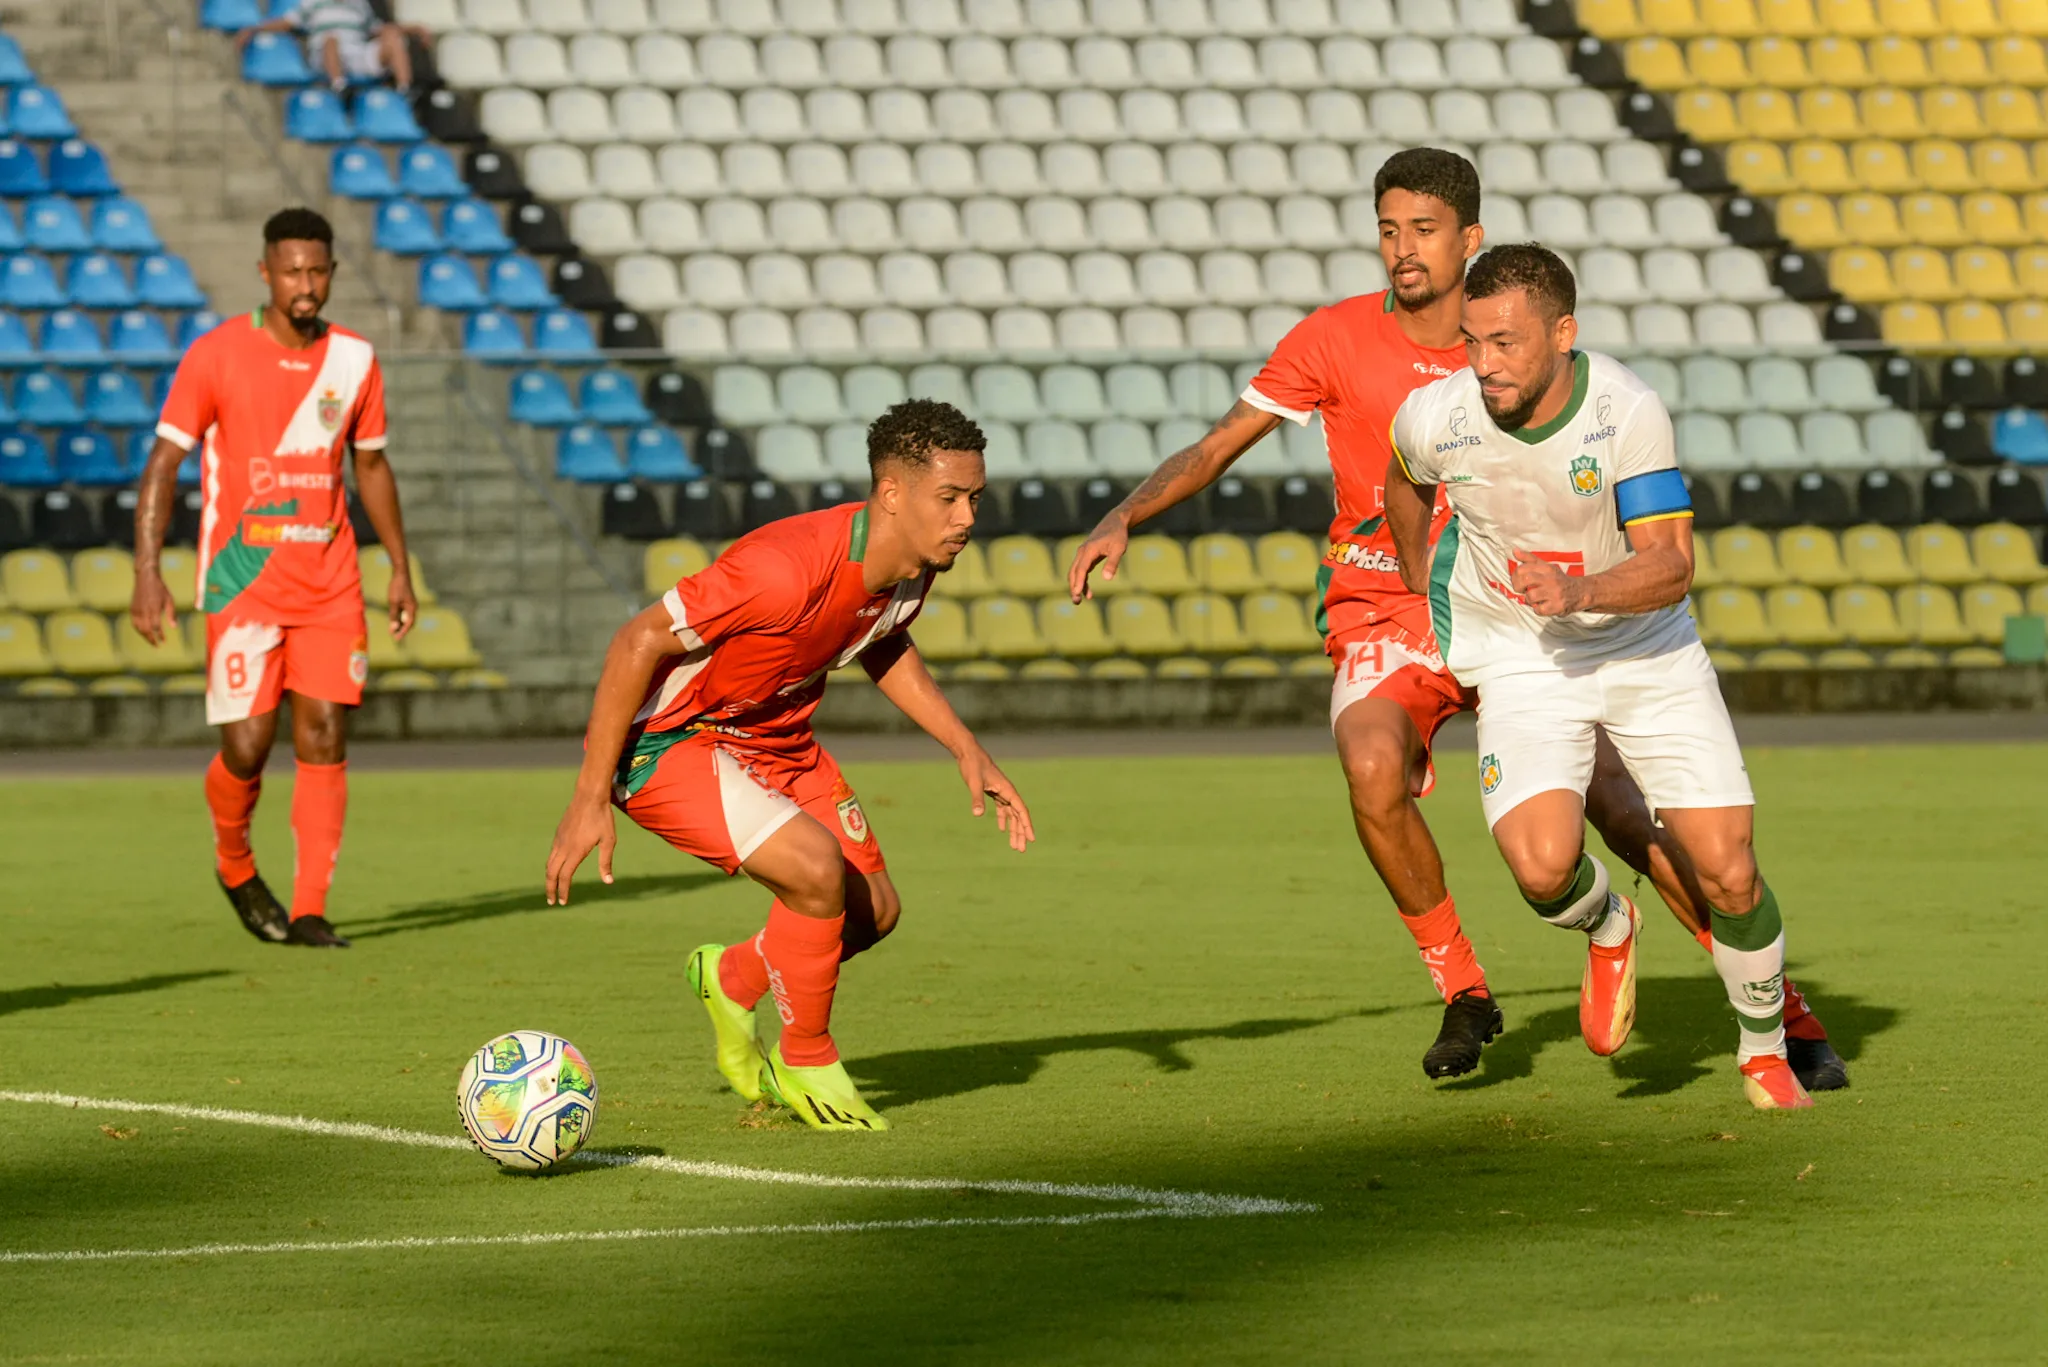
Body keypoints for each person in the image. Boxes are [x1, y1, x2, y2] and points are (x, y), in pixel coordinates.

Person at [1067, 148, 1846, 1090]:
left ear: (1469, 240)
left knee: (1626, 817)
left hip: (1525, 617)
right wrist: (1126, 513)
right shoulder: (1333, 340)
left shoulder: (1509, 341)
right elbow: (1222, 442)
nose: (1403, 251)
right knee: (1368, 760)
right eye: (1389, 230)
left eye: (1424, 231)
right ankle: (1465, 988)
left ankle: (1775, 1008)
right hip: (1390, 610)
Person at [1384, 242, 1817, 1110]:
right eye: (1472, 341)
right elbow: (1402, 477)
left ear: (1563, 333)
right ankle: (1610, 924)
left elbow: (1671, 564)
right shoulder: (1437, 414)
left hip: (1644, 647)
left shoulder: (1626, 410)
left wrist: (1577, 588)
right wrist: (1411, 567)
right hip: (1523, 654)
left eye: (1506, 342)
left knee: (1728, 868)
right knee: (1544, 871)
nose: (1485, 362)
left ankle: (1763, 1050)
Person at [544, 400, 1033, 1132]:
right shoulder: (780, 569)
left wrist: (966, 745)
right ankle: (805, 1056)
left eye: (975, 498)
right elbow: (636, 642)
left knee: (875, 911)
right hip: (668, 740)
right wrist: (587, 796)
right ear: (892, 493)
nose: (968, 517)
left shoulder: (912, 564)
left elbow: (881, 640)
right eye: (951, 498)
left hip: (775, 735)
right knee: (814, 870)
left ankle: (732, 977)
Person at [130, 207, 412, 950]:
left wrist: (401, 571)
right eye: (292, 270)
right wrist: (148, 572)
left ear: (332, 273)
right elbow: (163, 465)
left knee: (322, 732)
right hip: (242, 581)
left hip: (329, 581)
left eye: (318, 270)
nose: (306, 285)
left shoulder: (354, 360)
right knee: (248, 746)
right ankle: (234, 863)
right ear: (266, 272)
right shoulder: (216, 354)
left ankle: (312, 907)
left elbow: (372, 467)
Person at [235, 0, 432, 94]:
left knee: (392, 37)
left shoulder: (359, 4)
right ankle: (339, 88)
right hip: (324, 54)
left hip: (356, 53)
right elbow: (287, 23)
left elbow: (377, 28)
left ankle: (405, 92)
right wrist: (254, 28)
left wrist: (412, 29)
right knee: (331, 39)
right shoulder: (312, 3)